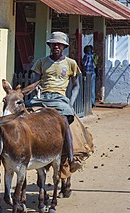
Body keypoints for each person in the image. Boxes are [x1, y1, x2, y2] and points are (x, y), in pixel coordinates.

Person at [27, 31, 81, 173]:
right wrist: (36, 87)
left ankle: (71, 159)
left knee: (64, 122)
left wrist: (71, 103)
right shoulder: (41, 62)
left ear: (64, 47)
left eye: (59, 44)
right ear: (49, 45)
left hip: (60, 99)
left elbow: (76, 86)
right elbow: (34, 82)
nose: (56, 46)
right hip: (41, 97)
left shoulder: (71, 63)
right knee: (21, 115)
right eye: (53, 44)